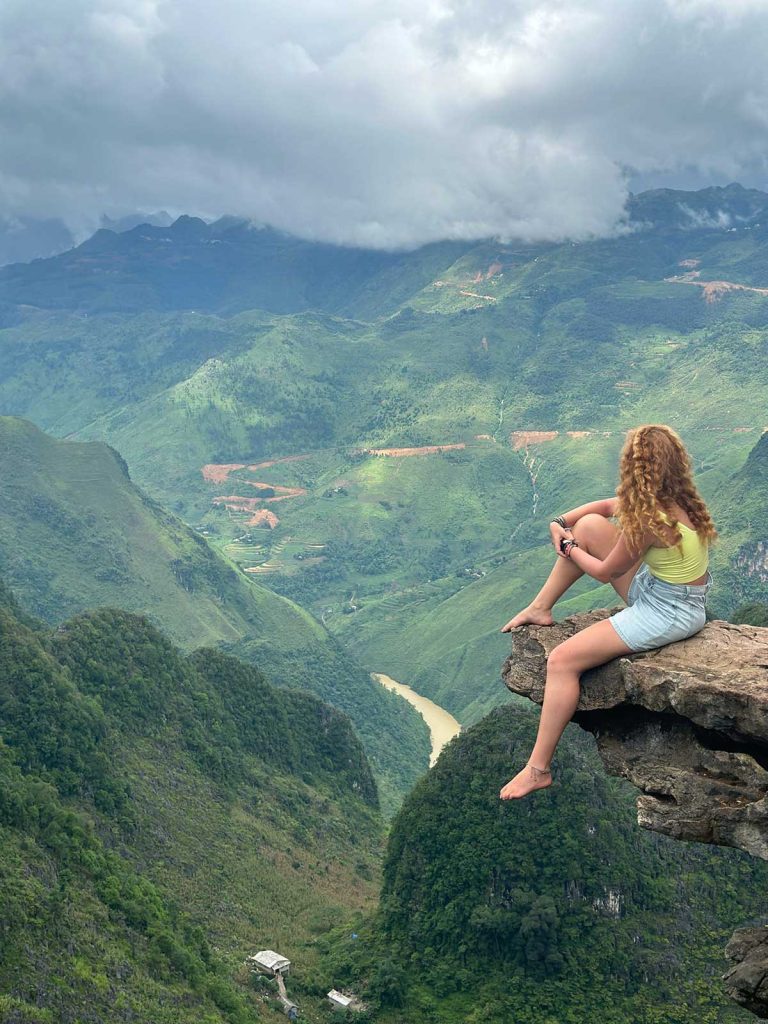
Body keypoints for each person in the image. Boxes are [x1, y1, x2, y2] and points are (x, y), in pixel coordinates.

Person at [498, 424, 717, 800]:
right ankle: (540, 607)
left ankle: (538, 769)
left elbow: (602, 573)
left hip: (668, 612)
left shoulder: (649, 521)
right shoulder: (679, 499)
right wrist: (561, 523)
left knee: (562, 661)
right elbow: (604, 507)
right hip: (664, 592)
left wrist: (566, 547)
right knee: (589, 527)